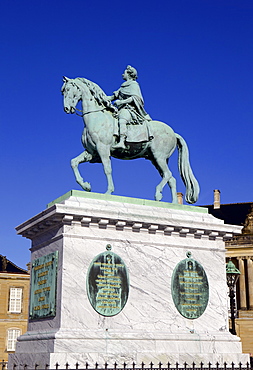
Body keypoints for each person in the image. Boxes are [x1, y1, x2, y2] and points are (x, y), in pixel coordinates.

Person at [109, 65, 152, 149]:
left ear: (129, 74)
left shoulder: (134, 84)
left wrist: (122, 102)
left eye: (124, 73)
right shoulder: (123, 86)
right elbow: (112, 97)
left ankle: (122, 141)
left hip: (130, 109)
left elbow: (135, 98)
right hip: (120, 109)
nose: (122, 74)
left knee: (122, 118)